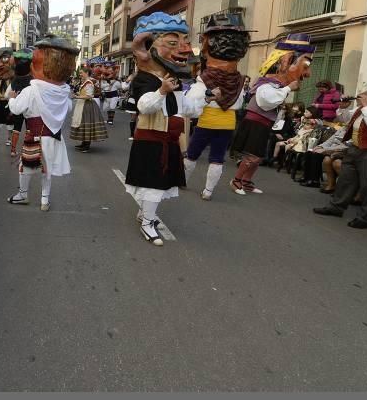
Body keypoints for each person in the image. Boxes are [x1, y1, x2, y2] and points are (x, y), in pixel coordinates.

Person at [124, 12, 206, 246]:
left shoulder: (174, 80)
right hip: (150, 141)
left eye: (184, 43)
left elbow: (188, 109)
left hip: (169, 141)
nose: (184, 49)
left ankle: (145, 215)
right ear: (148, 49)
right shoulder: (144, 79)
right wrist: (162, 91)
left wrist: (204, 92)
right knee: (154, 185)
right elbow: (143, 106)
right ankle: (147, 223)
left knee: (161, 184)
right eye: (172, 43)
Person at [229, 33, 314, 195]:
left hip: (263, 124)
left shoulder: (276, 85)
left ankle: (246, 181)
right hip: (255, 123)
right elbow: (265, 101)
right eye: (306, 66)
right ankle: (236, 181)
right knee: (252, 157)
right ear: (287, 62)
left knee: (257, 157)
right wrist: (288, 89)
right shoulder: (268, 83)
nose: (308, 74)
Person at [313, 78, 367, 229]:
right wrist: (342, 107)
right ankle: (336, 207)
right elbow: (345, 120)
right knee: (345, 179)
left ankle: (366, 217)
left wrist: (366, 106)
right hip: (355, 146)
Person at [6, 35, 78, 212]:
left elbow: (16, 109)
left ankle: (22, 194)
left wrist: (11, 99)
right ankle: (45, 200)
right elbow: (67, 109)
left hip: (35, 136)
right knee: (47, 169)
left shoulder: (31, 90)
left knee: (25, 167)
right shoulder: (63, 92)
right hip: (54, 136)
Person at [183, 13, 251, 201]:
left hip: (206, 122)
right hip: (228, 123)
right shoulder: (240, 82)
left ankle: (183, 180)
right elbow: (240, 103)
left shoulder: (204, 81)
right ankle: (208, 191)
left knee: (192, 154)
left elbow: (188, 106)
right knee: (217, 158)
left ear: (206, 43)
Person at [69, 64, 108, 152]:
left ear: (87, 73)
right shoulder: (85, 82)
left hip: (87, 106)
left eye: (82, 73)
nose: (80, 74)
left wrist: (76, 97)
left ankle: (86, 146)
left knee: (86, 123)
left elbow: (89, 96)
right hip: (83, 104)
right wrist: (77, 95)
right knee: (82, 123)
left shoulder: (89, 83)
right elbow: (84, 94)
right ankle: (84, 143)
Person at [8, 48, 34, 157]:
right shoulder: (32, 80)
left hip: (17, 105)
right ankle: (27, 149)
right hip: (28, 106)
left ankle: (13, 150)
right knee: (29, 128)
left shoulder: (14, 80)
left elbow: (11, 92)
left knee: (16, 128)